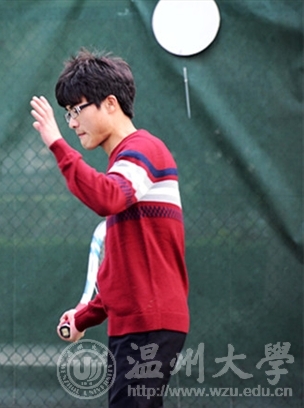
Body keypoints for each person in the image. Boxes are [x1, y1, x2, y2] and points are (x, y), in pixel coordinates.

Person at [30, 49, 189, 407]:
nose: (71, 123)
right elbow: (122, 272)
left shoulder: (144, 150)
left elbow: (107, 197)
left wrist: (56, 144)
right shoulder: (125, 168)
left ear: (111, 104)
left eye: (76, 109)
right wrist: (84, 317)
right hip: (138, 324)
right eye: (67, 114)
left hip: (150, 324)